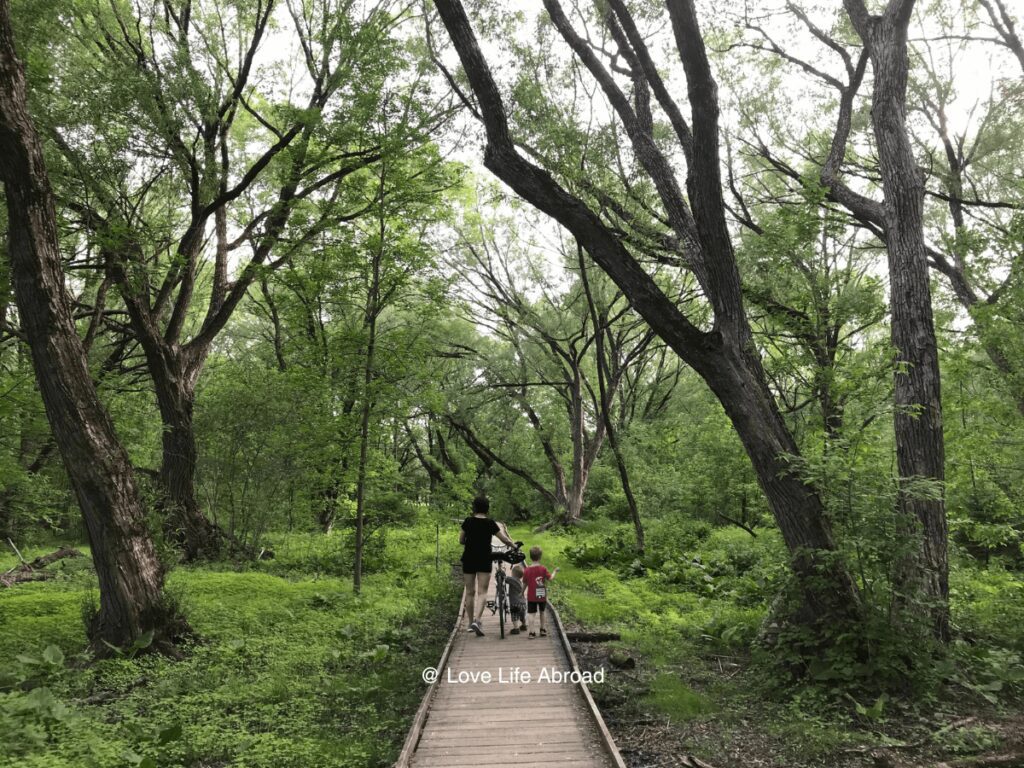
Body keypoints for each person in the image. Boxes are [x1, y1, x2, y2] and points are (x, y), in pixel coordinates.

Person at [460, 494, 515, 636]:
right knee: (482, 592)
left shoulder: (467, 521)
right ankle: (477, 620)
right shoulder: (490, 523)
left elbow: (461, 540)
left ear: (474, 507)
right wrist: (513, 545)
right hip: (484, 559)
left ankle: (471, 623)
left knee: (470, 592)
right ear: (487, 508)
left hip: (469, 558)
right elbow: (504, 539)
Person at [522, 546, 559, 638]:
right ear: (540, 557)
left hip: (531, 595)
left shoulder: (527, 570)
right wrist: (555, 571)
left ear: (530, 557)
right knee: (542, 612)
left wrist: (521, 592)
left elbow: (525, 583)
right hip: (541, 594)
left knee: (531, 614)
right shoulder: (543, 569)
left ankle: (531, 632)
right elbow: (550, 578)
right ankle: (542, 629)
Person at [506, 564, 528, 635]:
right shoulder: (520, 582)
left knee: (514, 615)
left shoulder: (513, 580)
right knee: (522, 616)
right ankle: (524, 625)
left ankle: (516, 628)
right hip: (523, 604)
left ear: (513, 574)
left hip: (515, 603)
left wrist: (502, 573)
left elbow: (506, 579)